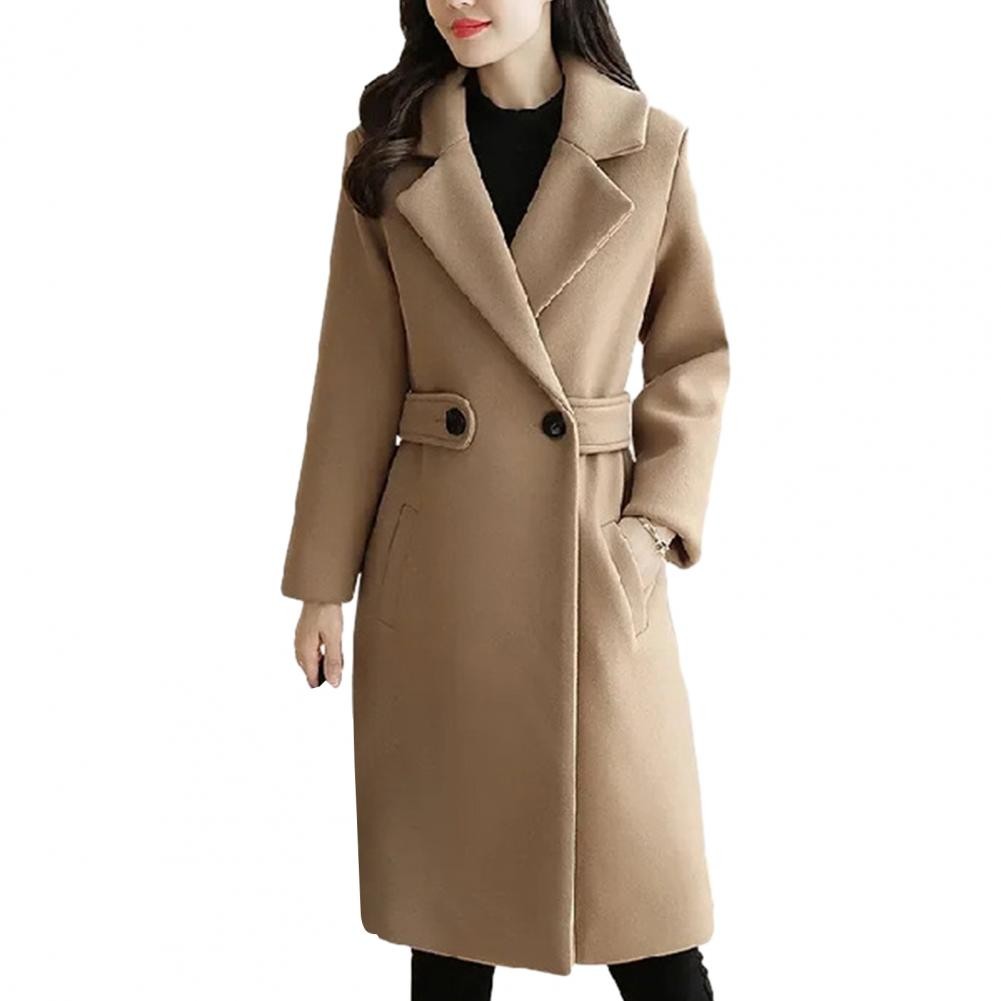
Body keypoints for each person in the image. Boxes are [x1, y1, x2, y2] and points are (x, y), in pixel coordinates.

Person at [281, 2, 729, 998]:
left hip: (593, 562)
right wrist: (321, 585)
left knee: (651, 922)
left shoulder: (648, 148)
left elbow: (692, 355)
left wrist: (652, 527)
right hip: (440, 574)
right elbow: (355, 375)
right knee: (450, 922)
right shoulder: (390, 153)